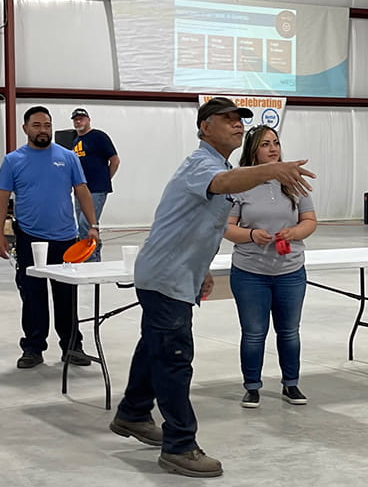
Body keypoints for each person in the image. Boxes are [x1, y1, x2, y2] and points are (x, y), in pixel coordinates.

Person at [109, 97, 314, 478]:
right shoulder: (201, 165)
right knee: (174, 358)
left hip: (176, 275)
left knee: (156, 347)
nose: (237, 124)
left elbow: (207, 227)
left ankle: (133, 414)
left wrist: (202, 269)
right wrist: (271, 171)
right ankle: (179, 446)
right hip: (164, 277)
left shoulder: (220, 166)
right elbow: (221, 184)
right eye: (227, 118)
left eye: (240, 119)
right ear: (205, 127)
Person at [0, 106, 99, 369]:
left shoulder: (67, 157)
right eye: (37, 125)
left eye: (47, 125)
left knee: (67, 296)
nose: (43, 130)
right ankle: (33, 348)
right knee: (33, 296)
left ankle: (72, 346)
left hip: (65, 238)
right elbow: (1, 199)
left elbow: (82, 191)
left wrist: (93, 225)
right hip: (30, 238)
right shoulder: (13, 160)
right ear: (25, 128)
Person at [222, 125, 316, 409]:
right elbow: (227, 228)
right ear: (253, 150)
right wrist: (251, 235)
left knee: (289, 331)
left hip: (290, 270)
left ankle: (291, 384)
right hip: (251, 272)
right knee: (253, 333)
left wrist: (295, 233)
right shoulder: (239, 184)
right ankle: (252, 386)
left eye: (275, 143)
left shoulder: (293, 182)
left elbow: (309, 221)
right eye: (265, 144)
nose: (273, 148)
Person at [69, 107, 119, 261]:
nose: (78, 121)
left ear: (88, 120)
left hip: (96, 189)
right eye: (76, 119)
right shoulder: (76, 141)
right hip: (80, 190)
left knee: (87, 223)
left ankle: (91, 259)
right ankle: (91, 254)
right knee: (87, 226)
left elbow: (115, 160)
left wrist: (105, 179)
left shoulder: (98, 136)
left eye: (81, 118)